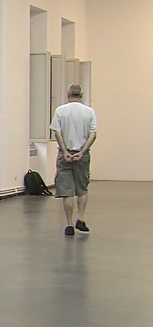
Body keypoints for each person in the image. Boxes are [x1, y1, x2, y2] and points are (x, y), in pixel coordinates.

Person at [50, 83, 97, 236]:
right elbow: (93, 134)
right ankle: (80, 218)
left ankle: (69, 224)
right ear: (81, 95)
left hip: (65, 155)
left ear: (68, 94)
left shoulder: (60, 111)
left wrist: (65, 151)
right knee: (82, 189)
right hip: (82, 155)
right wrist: (82, 152)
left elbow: (57, 133)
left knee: (67, 191)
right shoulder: (89, 112)